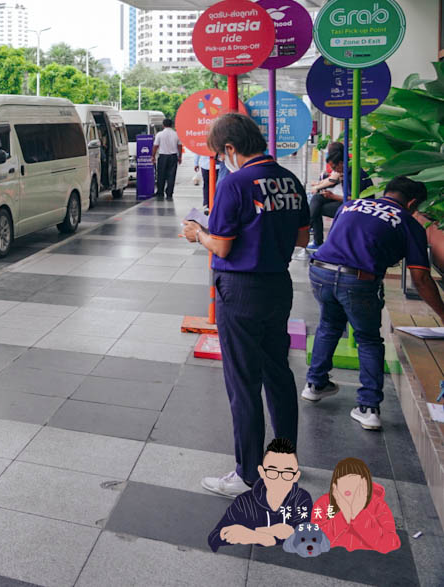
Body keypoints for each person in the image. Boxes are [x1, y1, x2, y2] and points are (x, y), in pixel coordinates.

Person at [182, 113, 309, 497]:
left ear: (231, 149)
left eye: (220, 155)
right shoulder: (290, 179)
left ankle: (248, 474)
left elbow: (221, 245)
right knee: (278, 375)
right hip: (278, 287)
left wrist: (197, 233)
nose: (221, 162)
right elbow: (302, 238)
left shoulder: (234, 183)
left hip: (240, 290)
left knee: (243, 383)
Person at [302, 176, 444, 430]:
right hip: (358, 281)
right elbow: (421, 279)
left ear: (387, 191)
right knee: (368, 339)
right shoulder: (408, 223)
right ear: (412, 203)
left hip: (321, 271)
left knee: (329, 324)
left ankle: (315, 384)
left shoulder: (350, 205)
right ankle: (368, 407)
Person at [208, 438, 312, 551]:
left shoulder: (301, 500)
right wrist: (264, 535)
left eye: (287, 473)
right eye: (272, 472)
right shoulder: (245, 502)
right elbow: (214, 538)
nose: (279, 479)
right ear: (262, 472)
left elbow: (305, 537)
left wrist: (254, 534)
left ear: (296, 476)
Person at [312, 457, 400, 553]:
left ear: (365, 485)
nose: (348, 486)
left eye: (353, 481)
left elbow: (390, 544)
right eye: (343, 480)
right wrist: (344, 516)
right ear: (335, 485)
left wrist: (359, 514)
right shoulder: (323, 504)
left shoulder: (378, 506)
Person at [153, 117, 183, 199]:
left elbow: (155, 146)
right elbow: (180, 146)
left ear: (163, 125)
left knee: (161, 174)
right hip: (173, 157)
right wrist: (180, 156)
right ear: (172, 125)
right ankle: (169, 192)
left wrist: (153, 156)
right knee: (171, 175)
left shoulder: (159, 134)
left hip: (162, 156)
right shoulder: (176, 134)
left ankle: (160, 192)